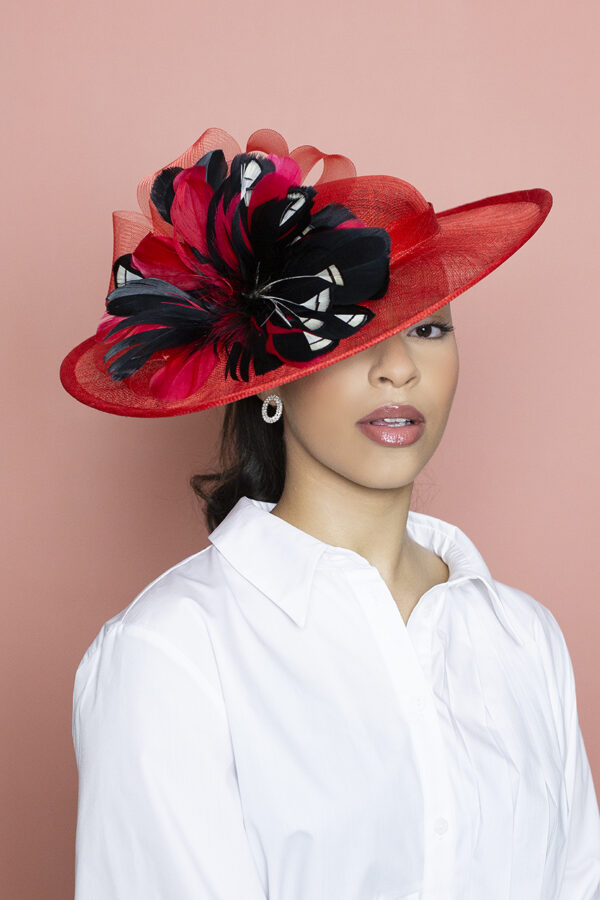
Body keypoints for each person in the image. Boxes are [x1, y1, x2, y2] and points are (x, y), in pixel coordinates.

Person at [60, 126, 600, 899]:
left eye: (429, 326)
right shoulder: (174, 652)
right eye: (355, 332)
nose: (400, 367)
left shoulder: (524, 640)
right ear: (269, 378)